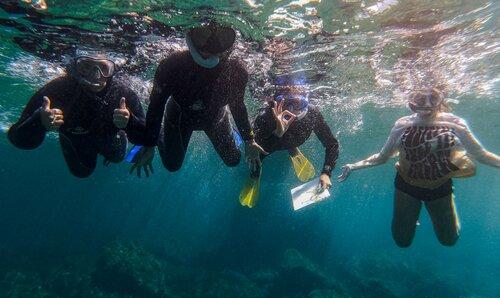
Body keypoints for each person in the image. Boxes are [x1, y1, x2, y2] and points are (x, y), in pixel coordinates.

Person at [338, 88, 500, 247]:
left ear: (441, 99)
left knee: (449, 240)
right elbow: (382, 157)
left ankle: (431, 211)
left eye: (433, 98)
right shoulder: (402, 125)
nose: (428, 104)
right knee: (401, 241)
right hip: (406, 186)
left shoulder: (456, 123)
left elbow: (481, 154)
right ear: (412, 102)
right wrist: (354, 166)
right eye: (421, 99)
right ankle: (412, 216)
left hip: (440, 187)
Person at [131, 21, 265, 177]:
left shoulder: (237, 71)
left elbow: (238, 105)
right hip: (178, 117)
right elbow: (156, 104)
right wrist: (149, 143)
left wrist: (249, 140)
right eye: (203, 36)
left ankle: (232, 132)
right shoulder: (172, 65)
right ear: (191, 37)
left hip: (215, 117)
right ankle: (161, 132)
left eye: (222, 38)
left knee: (233, 160)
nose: (213, 47)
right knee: (172, 165)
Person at [8, 50, 146, 178]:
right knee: (81, 172)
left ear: (112, 70)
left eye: (104, 68)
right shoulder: (57, 89)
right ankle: (65, 138)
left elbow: (148, 135)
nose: (95, 75)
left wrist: (130, 122)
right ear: (76, 67)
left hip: (109, 138)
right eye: (86, 66)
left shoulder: (122, 93)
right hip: (76, 140)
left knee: (117, 158)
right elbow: (16, 138)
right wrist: (39, 121)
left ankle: (120, 137)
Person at [239, 83, 340, 208]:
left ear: (305, 102)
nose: (293, 110)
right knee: (254, 159)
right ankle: (286, 149)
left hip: (292, 140)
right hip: (270, 143)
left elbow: (332, 144)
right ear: (276, 104)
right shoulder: (265, 118)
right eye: (287, 104)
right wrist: (278, 133)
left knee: (288, 138)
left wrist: (326, 173)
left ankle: (291, 147)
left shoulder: (312, 114)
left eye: (299, 103)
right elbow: (258, 154)